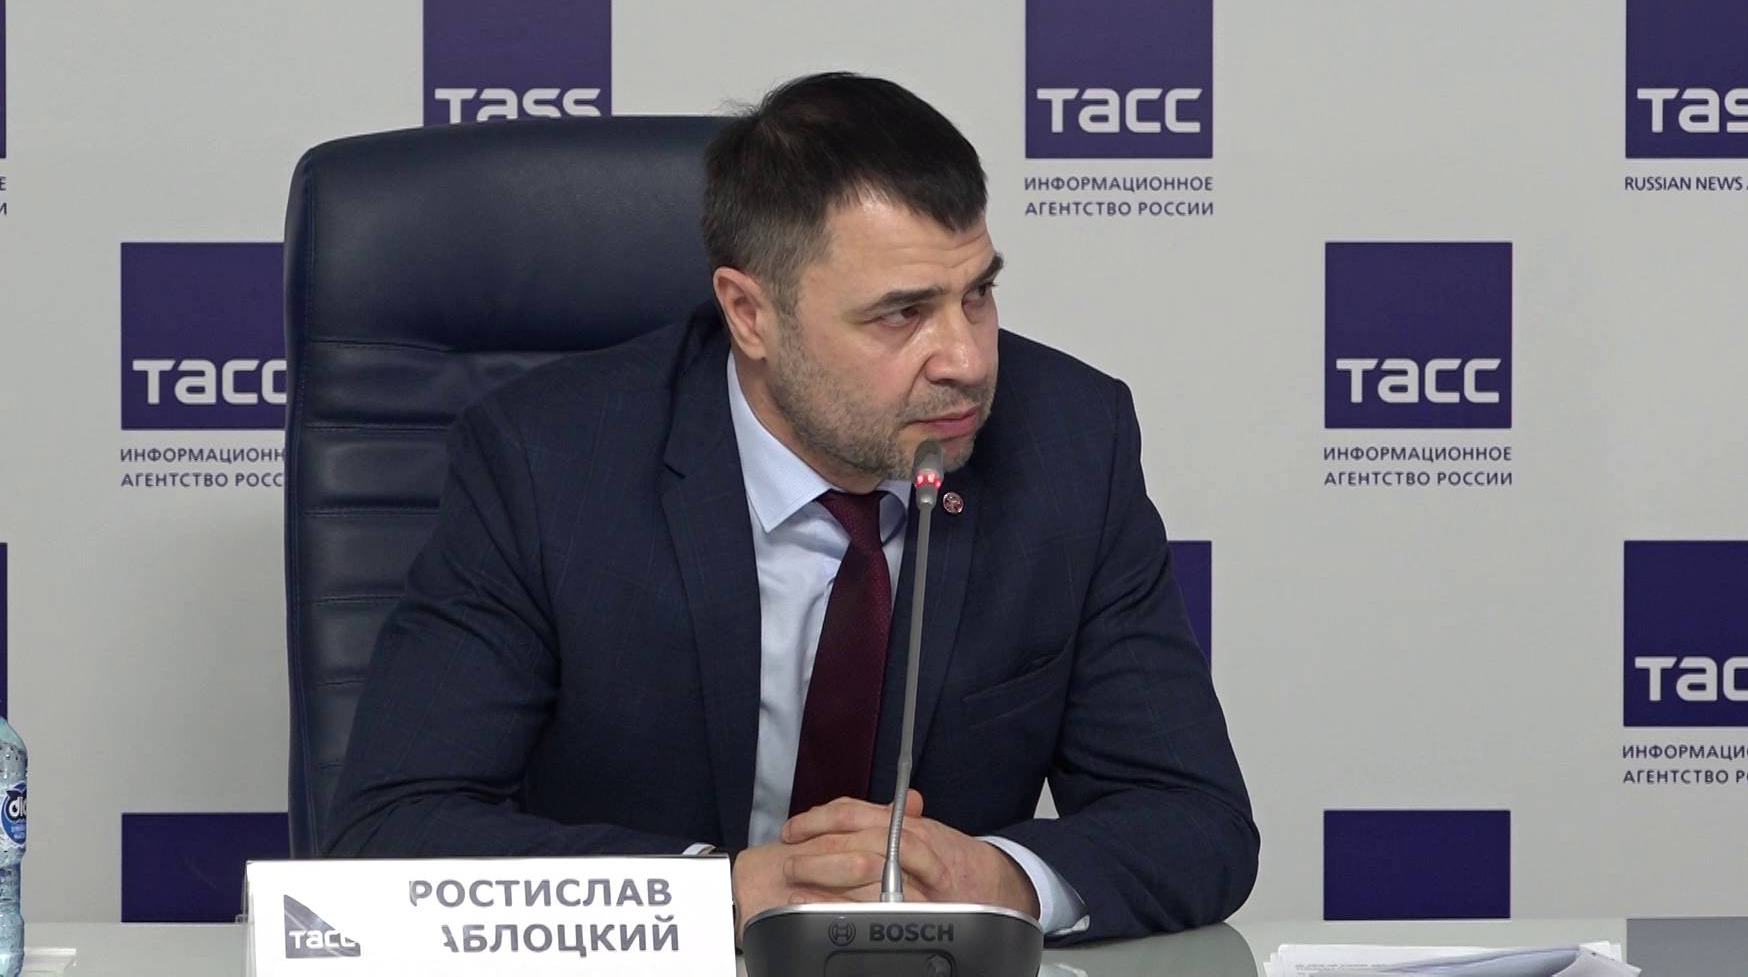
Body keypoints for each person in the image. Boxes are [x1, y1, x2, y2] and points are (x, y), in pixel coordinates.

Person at [324, 72, 1258, 943]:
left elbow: (1193, 818)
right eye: (901, 314)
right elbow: (391, 831)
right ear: (750, 314)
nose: (967, 360)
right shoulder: (545, 463)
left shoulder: (1069, 444)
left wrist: (1002, 880)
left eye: (978, 294)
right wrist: (724, 894)